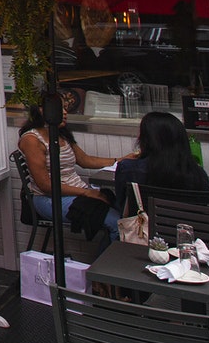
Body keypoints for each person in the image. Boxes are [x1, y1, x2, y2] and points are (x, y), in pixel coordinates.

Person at [18, 102, 129, 244]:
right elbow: (45, 185)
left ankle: (108, 255)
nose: (65, 112)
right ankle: (108, 259)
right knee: (119, 225)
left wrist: (120, 160)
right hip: (49, 199)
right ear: (41, 110)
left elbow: (85, 160)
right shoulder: (31, 140)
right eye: (60, 108)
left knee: (125, 212)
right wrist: (87, 193)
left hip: (76, 192)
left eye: (65, 108)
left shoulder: (60, 133)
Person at [115, 109, 209, 211]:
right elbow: (202, 207)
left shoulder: (127, 168)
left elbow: (122, 205)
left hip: (142, 220)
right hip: (184, 221)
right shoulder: (199, 175)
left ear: (146, 140)